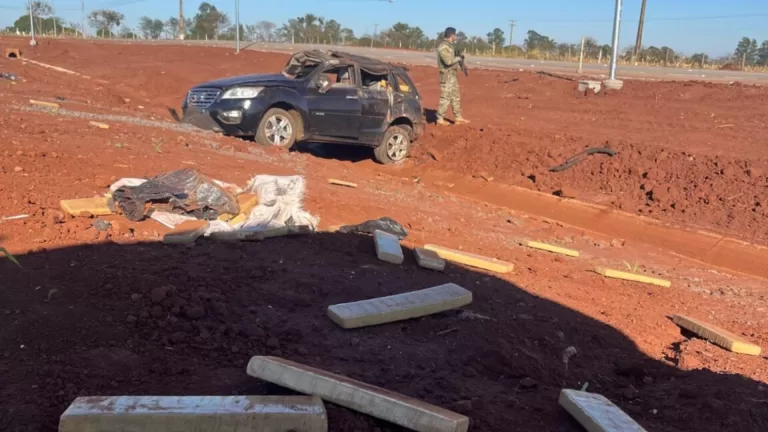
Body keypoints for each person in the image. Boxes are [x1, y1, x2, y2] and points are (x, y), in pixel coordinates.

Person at [436, 27, 469, 126]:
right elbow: (448, 61)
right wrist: (458, 58)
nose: (456, 37)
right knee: (445, 97)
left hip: (452, 75)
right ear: (451, 35)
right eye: (455, 35)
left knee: (455, 97)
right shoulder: (443, 47)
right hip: (446, 76)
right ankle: (440, 119)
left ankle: (458, 117)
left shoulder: (450, 46)